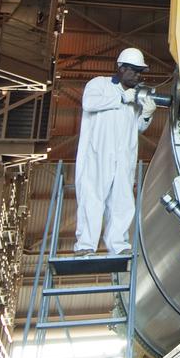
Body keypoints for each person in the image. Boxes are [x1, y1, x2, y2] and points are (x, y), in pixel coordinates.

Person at [74, 47, 156, 255]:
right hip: (97, 154)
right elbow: (89, 104)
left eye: (140, 72)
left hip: (125, 156)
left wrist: (146, 114)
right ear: (120, 68)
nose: (138, 75)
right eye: (134, 71)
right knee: (92, 197)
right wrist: (121, 99)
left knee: (123, 200)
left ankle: (118, 246)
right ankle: (86, 245)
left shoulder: (136, 97)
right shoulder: (99, 84)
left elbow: (138, 128)